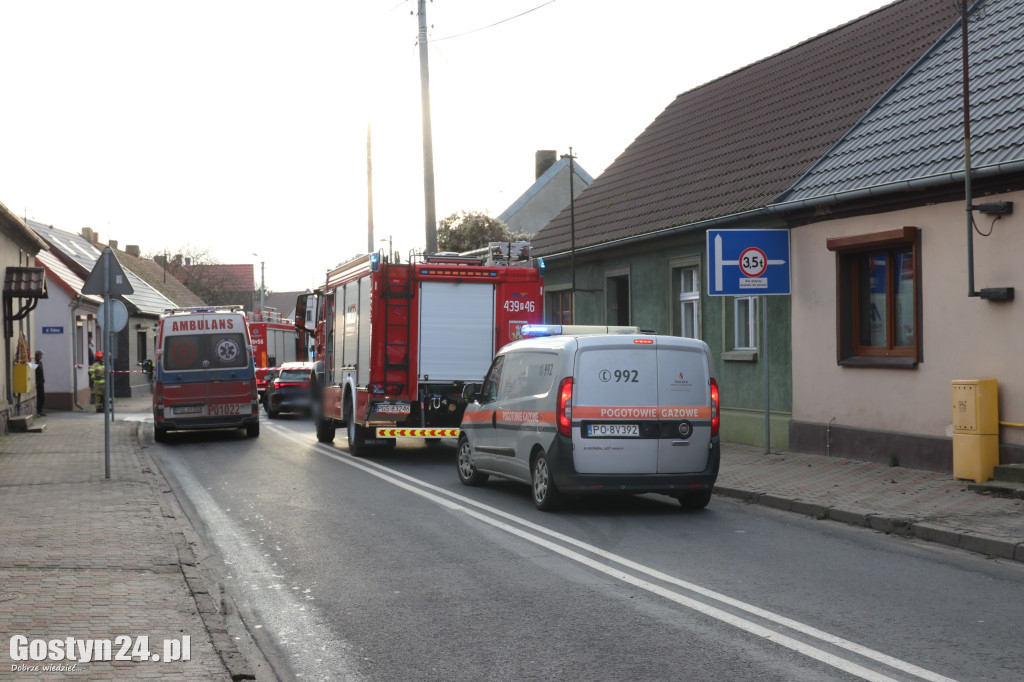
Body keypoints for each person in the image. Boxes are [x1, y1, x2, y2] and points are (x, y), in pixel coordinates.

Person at [34, 350, 46, 416]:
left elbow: (41, 372)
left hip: (41, 382)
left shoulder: (40, 363)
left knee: (42, 397)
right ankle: (38, 411)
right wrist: (35, 382)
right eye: (41, 354)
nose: (42, 356)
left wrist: (43, 379)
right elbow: (34, 373)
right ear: (37, 355)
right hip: (38, 382)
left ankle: (41, 410)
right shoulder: (35, 363)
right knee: (40, 396)